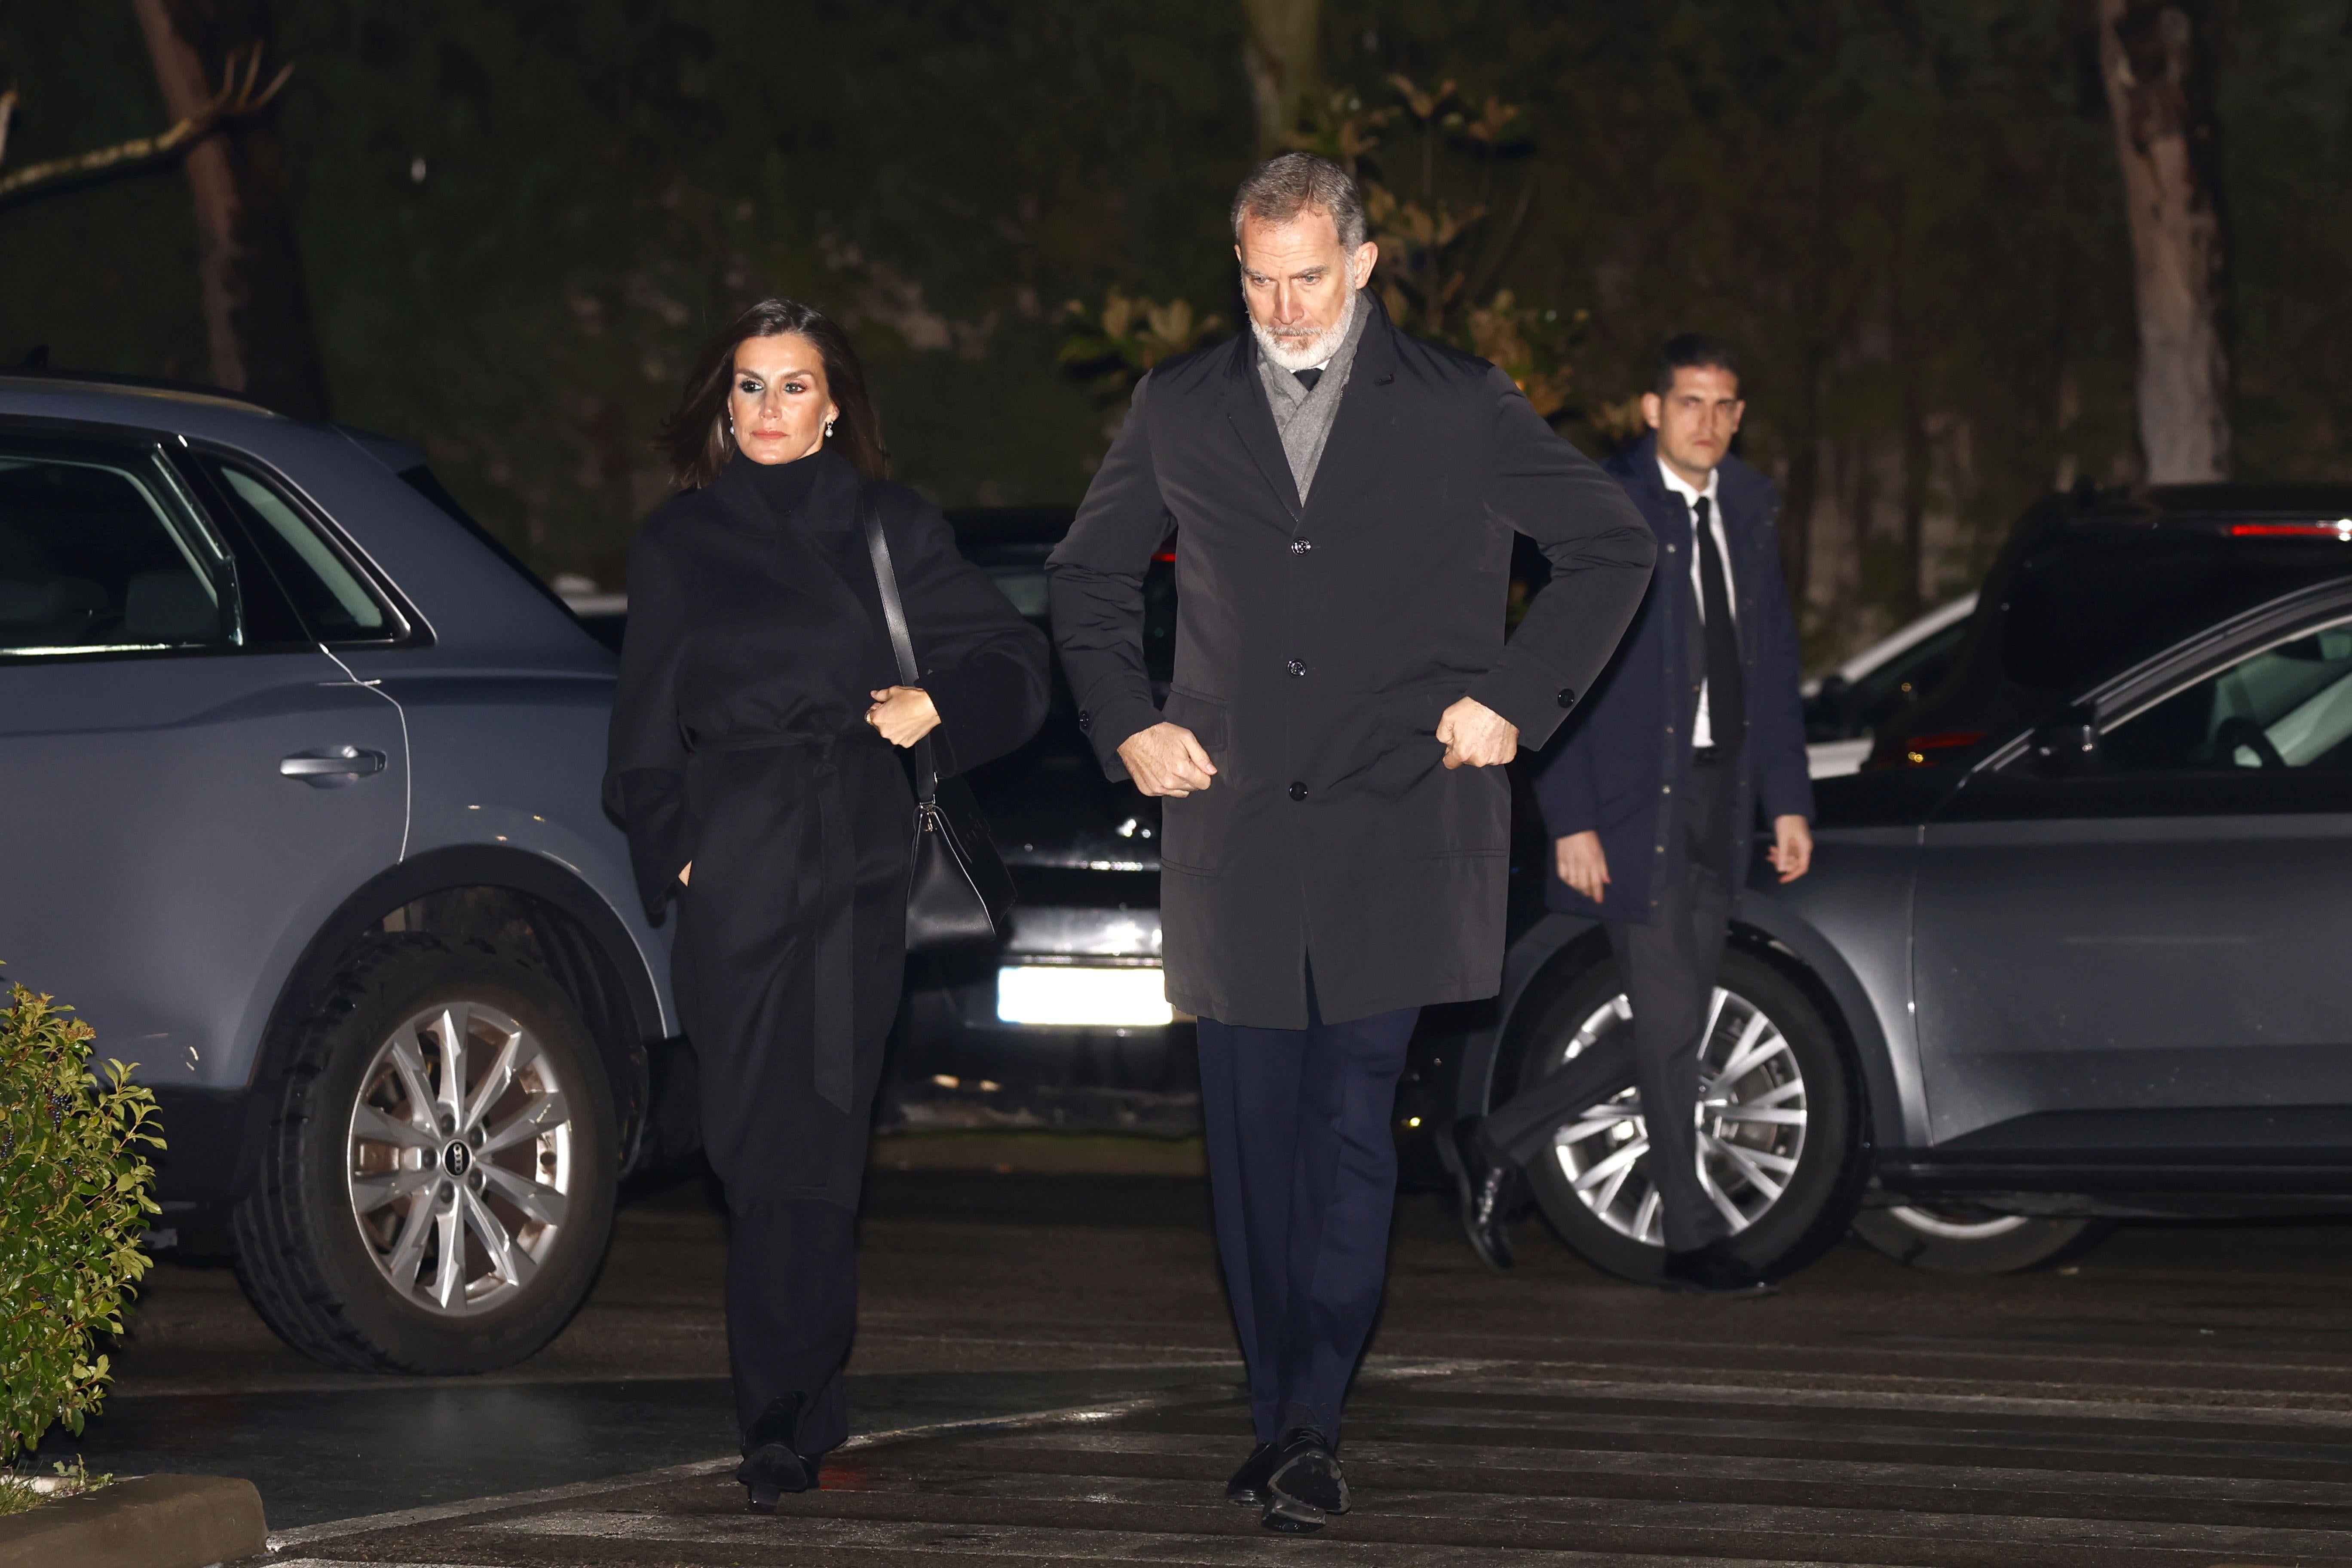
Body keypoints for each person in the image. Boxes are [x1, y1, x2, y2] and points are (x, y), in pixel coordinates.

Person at [1046, 153, 1655, 1534]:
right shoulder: (1181, 405)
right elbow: (1086, 578)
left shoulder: (1462, 406)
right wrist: (1129, 722)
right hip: (1235, 833)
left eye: (1306, 277)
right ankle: (1277, 1410)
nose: (1281, 306)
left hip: (1402, 823)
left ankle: (1315, 1422)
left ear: (1365, 265)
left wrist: (1514, 700)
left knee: (1351, 1131)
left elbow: (1614, 548)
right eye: (1256, 280)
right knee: (1254, 1152)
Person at [604, 298, 1048, 1511]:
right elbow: (642, 738)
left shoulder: (890, 525)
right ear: (723, 401)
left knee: (822, 1129)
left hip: (856, 856)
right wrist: (683, 856)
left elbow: (1017, 664)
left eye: (791, 386)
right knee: (755, 1145)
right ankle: (811, 1376)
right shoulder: (678, 542)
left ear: (834, 403)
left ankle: (781, 1412)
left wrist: (936, 705)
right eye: (747, 386)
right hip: (738, 867)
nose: (766, 409)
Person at [1449, 334, 1815, 1294]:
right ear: (1652, 410)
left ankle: (1496, 1140)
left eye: (1727, 406)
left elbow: (1772, 665)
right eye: (1692, 402)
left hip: (1720, 796)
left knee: (1672, 1025)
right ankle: (1689, 1238)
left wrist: (1788, 803)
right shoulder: (1608, 504)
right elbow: (1555, 662)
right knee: (1668, 1026)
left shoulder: (1747, 505)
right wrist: (1567, 817)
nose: (1711, 422)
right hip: (1627, 804)